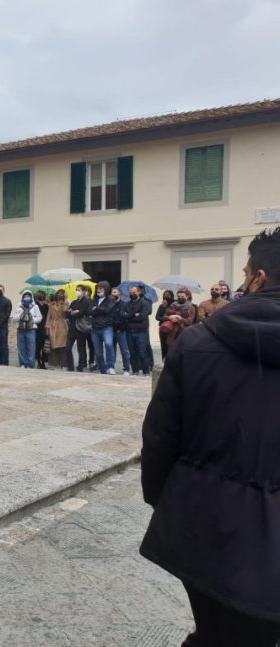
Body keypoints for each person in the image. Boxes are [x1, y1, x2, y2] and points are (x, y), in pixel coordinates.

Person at [140, 228, 280, 646]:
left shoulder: (198, 341)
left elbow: (161, 434)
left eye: (244, 273)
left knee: (216, 630)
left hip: (204, 515)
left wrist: (163, 499)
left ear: (258, 278)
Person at [123, 285, 152, 376]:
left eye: (134, 292)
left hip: (141, 331)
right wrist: (135, 314)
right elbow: (123, 315)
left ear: (139, 292)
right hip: (129, 331)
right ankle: (135, 371)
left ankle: (146, 372)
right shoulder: (126, 304)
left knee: (142, 352)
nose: (132, 294)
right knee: (132, 352)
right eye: (130, 292)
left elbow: (142, 317)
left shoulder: (144, 303)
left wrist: (129, 316)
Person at [89, 281, 117, 375]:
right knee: (98, 352)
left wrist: (96, 309)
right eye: (97, 288)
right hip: (95, 328)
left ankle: (110, 367)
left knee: (109, 344)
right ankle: (103, 369)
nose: (98, 290)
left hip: (106, 327)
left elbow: (107, 310)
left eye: (100, 288)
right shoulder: (94, 299)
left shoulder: (111, 299)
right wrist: (97, 310)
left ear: (106, 289)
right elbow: (90, 312)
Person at [11, 289, 42, 368]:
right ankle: (23, 363)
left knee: (31, 347)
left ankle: (30, 364)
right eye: (25, 296)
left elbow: (40, 317)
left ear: (31, 297)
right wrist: (20, 316)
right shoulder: (19, 306)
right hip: (21, 329)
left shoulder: (35, 306)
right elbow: (14, 317)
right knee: (21, 347)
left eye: (28, 296)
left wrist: (32, 320)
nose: (27, 298)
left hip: (31, 329)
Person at [66, 285, 93, 372]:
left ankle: (81, 366)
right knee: (68, 347)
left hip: (81, 328)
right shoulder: (74, 302)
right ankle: (70, 366)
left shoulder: (86, 302)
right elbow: (67, 313)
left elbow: (81, 313)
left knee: (80, 348)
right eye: (76, 290)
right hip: (72, 328)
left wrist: (74, 312)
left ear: (84, 291)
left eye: (79, 290)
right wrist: (74, 312)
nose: (77, 292)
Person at [110, 287, 132, 376]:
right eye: (112, 292)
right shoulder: (110, 304)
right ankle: (111, 367)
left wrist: (121, 327)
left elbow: (126, 317)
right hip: (111, 330)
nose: (113, 294)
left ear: (119, 293)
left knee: (124, 350)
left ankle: (126, 369)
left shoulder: (124, 304)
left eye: (115, 292)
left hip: (121, 331)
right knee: (111, 350)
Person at [45, 289, 69, 369]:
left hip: (62, 326)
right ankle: (55, 364)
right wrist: (47, 326)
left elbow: (65, 310)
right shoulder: (52, 304)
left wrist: (65, 300)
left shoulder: (65, 303)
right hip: (52, 326)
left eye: (61, 294)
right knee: (53, 346)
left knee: (62, 346)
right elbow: (48, 316)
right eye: (58, 293)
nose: (59, 295)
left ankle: (63, 364)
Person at [156, 290, 175, 361]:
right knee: (163, 345)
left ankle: (171, 361)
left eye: (167, 295)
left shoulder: (175, 305)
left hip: (172, 328)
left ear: (171, 296)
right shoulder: (162, 305)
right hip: (163, 328)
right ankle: (164, 361)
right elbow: (157, 317)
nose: (166, 296)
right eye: (164, 295)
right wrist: (164, 307)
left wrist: (168, 318)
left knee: (170, 345)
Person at [34, 291, 49, 369]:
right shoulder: (35, 306)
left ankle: (43, 362)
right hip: (37, 327)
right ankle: (39, 361)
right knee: (38, 346)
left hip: (44, 327)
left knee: (44, 347)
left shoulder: (46, 306)